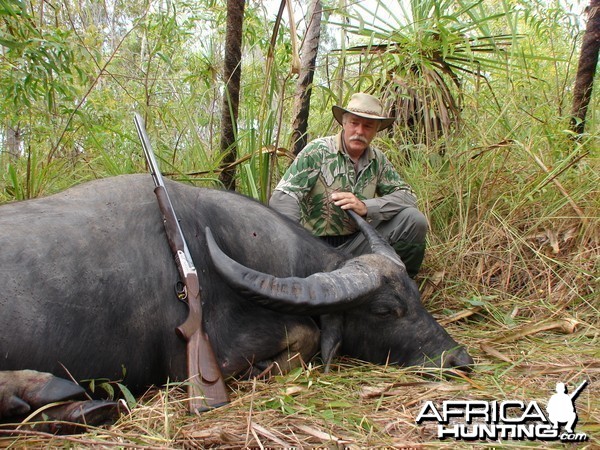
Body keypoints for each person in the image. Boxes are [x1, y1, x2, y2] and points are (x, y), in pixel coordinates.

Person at [270, 92, 428, 278]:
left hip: (357, 244)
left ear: (376, 130)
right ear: (344, 123)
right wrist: (297, 241)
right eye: (354, 123)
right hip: (315, 248)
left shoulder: (378, 159)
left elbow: (407, 196)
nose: (360, 131)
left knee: (413, 220)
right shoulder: (318, 151)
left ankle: (399, 285)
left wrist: (366, 207)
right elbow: (283, 196)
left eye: (368, 126)